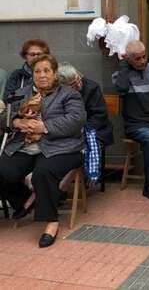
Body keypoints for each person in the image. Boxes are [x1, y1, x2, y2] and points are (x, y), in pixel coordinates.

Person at [0, 54, 86, 247]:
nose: (42, 75)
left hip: (62, 147)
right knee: (3, 169)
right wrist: (16, 121)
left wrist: (44, 126)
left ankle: (51, 222)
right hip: (26, 145)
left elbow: (76, 120)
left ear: (55, 74)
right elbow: (4, 116)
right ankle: (25, 200)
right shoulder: (22, 93)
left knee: (43, 173)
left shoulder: (69, 94)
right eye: (37, 71)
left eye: (47, 71)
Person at [112, 40, 149, 201]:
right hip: (135, 125)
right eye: (137, 58)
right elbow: (121, 88)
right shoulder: (120, 75)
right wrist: (124, 66)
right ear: (129, 59)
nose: (142, 61)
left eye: (144, 56)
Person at [57, 63, 114, 150]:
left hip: (94, 128)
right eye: (73, 85)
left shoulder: (92, 88)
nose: (79, 85)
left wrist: (84, 128)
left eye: (78, 79)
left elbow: (99, 116)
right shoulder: (58, 93)